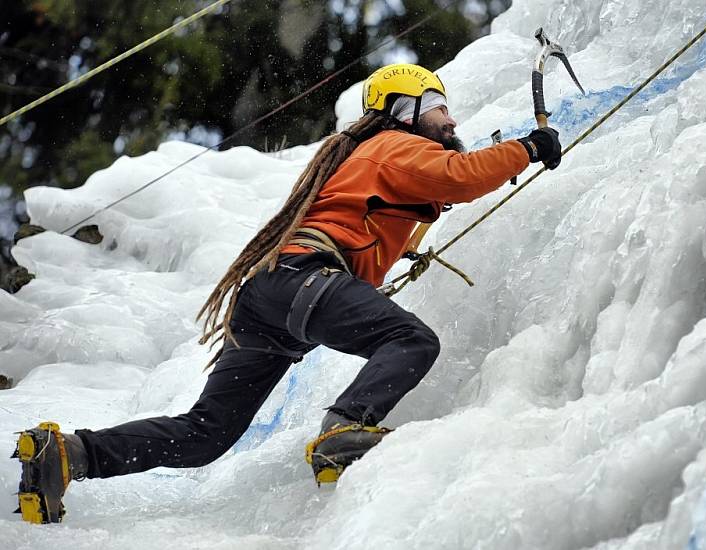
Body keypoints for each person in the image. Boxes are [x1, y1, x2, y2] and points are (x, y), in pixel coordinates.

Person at [13, 63, 562, 523]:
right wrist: (528, 148)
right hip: (303, 280)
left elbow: (437, 189)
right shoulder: (392, 145)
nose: (452, 117)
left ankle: (66, 453)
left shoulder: (371, 158)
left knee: (206, 435)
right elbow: (460, 175)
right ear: (405, 109)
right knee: (412, 339)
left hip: (272, 297)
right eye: (439, 105)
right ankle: (347, 426)